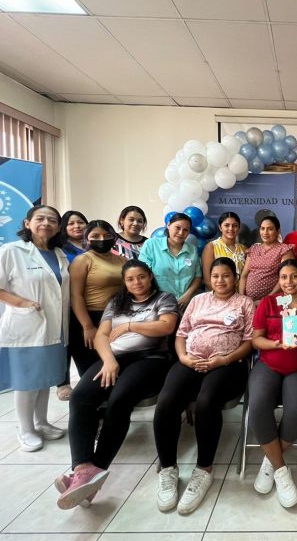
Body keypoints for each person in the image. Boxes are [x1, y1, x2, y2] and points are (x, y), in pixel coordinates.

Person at [55, 259, 178, 510]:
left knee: (119, 399)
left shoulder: (163, 298)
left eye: (141, 277)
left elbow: (166, 326)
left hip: (150, 359)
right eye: (130, 279)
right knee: (80, 397)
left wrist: (130, 325)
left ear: (150, 277)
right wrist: (109, 361)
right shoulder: (116, 302)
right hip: (114, 358)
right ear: (124, 282)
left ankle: (97, 469)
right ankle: (82, 468)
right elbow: (102, 335)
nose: (137, 282)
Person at [154, 257, 254, 515]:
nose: (221, 280)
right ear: (210, 278)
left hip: (228, 364)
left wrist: (224, 359)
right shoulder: (198, 300)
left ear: (235, 278)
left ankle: (204, 469)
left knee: (207, 402)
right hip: (191, 361)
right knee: (167, 400)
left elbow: (249, 341)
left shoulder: (245, 303)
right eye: (216, 276)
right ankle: (168, 468)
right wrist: (184, 358)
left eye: (226, 275)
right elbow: (181, 334)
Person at [249, 259, 297, 508]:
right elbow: (256, 340)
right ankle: (281, 471)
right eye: (284, 277)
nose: (289, 282)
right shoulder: (268, 303)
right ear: (279, 280)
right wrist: (275, 344)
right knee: (258, 405)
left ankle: (271, 459)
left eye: (294, 276)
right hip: (269, 364)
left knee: (296, 412)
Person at [0, 206, 69, 452]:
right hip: (27, 326)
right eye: (40, 219)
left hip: (54, 326)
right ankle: (25, 429)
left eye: (52, 220)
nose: (46, 223)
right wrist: (23, 304)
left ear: (58, 227)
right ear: (27, 223)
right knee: (27, 381)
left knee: (44, 379)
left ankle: (42, 422)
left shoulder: (58, 253)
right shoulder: (11, 251)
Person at [69, 220, 126, 377]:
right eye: (95, 236)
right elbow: (75, 295)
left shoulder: (122, 260)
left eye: (107, 235)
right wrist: (87, 326)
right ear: (87, 238)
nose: (102, 239)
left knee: (114, 367)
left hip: (116, 318)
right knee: (92, 371)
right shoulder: (83, 260)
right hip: (90, 318)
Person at [139, 212, 202, 312]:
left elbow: (198, 276)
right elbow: (142, 274)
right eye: (177, 227)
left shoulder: (192, 250)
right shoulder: (152, 245)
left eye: (185, 230)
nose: (181, 233)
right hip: (157, 304)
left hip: (186, 304)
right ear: (168, 225)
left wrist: (187, 296)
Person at [57, 209, 89, 400]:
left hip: (90, 300)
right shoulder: (60, 248)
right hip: (67, 302)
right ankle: (63, 382)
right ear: (64, 227)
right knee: (66, 342)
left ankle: (88, 379)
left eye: (80, 222)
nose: (77, 226)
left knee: (83, 342)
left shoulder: (93, 244)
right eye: (71, 223)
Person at [239, 214, 294, 302]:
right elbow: (244, 275)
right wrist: (242, 298)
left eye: (270, 229)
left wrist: (266, 300)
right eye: (262, 228)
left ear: (278, 231)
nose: (265, 232)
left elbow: (285, 278)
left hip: (272, 301)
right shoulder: (254, 249)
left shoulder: (284, 250)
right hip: (248, 302)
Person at [201, 212, 246, 291]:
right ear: (220, 227)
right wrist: (223, 296)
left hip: (239, 295)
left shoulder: (244, 249)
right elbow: (207, 280)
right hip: (217, 295)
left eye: (235, 225)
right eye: (227, 225)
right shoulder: (211, 247)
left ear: (239, 228)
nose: (231, 228)